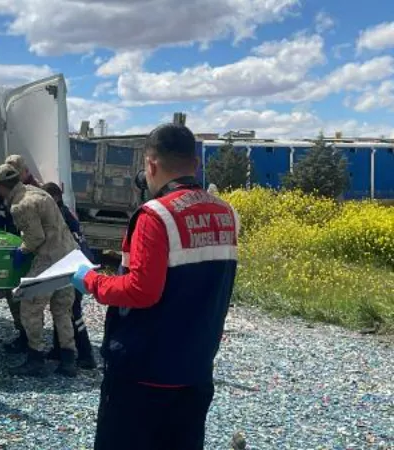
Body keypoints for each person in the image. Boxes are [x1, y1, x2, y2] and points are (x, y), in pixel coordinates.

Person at [71, 123, 240, 450]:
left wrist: (90, 281)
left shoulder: (155, 215)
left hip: (145, 372)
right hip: (196, 367)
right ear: (197, 163)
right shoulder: (225, 212)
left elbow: (140, 291)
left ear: (151, 165)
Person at [0, 163, 79, 378]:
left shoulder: (20, 205)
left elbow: (35, 238)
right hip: (69, 257)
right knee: (62, 310)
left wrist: (20, 252)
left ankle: (35, 359)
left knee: (29, 306)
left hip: (49, 260)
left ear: (1, 186)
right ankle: (68, 360)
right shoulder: (37, 192)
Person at [41, 182, 97, 370]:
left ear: (55, 197)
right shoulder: (65, 211)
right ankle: (58, 349)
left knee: (72, 312)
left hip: (75, 266)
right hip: (78, 263)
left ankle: (86, 355)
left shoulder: (60, 214)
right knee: (62, 310)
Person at [0, 155, 42, 354]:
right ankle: (23, 335)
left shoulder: (33, 192)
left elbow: (37, 232)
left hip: (31, 251)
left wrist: (24, 250)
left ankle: (34, 342)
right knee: (13, 295)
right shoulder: (11, 194)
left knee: (30, 300)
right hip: (16, 244)